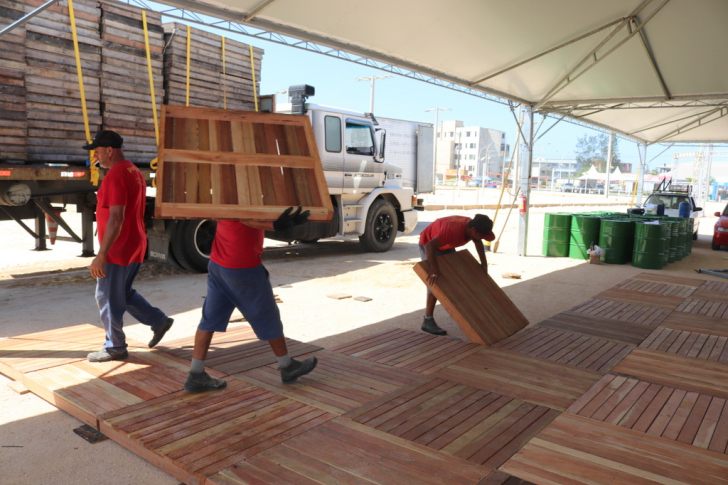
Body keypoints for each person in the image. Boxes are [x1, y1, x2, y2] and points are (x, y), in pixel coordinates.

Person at [184, 207, 318, 393]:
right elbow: (246, 218)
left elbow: (229, 215)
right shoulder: (242, 188)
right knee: (267, 316)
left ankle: (196, 373)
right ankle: (287, 367)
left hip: (219, 264)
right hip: (242, 267)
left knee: (209, 319)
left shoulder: (223, 193)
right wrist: (275, 225)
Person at [84, 130, 174, 362]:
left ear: (110, 150)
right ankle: (158, 321)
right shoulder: (133, 171)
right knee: (121, 293)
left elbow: (116, 218)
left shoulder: (115, 175)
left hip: (117, 249)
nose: (96, 156)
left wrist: (101, 255)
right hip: (134, 243)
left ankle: (115, 347)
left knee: (106, 296)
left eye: (97, 151)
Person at [418, 214, 495, 336]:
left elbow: (477, 241)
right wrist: (434, 268)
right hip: (429, 244)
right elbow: (429, 246)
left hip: (446, 244)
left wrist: (484, 263)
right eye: (480, 234)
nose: (480, 237)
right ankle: (428, 320)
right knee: (436, 282)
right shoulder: (453, 231)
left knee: (452, 278)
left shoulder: (472, 228)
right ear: (473, 230)